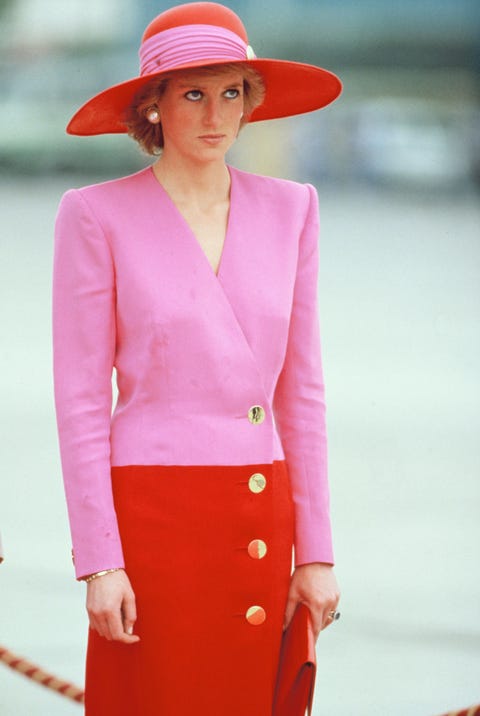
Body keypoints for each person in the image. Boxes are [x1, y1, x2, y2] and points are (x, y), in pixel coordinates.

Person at [52, 2, 342, 714]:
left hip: (257, 512)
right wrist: (100, 562)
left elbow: (300, 393)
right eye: (192, 94)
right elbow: (81, 400)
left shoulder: (293, 210)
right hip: (151, 523)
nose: (216, 114)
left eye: (231, 92)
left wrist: (319, 554)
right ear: (152, 105)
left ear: (250, 102)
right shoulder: (95, 216)